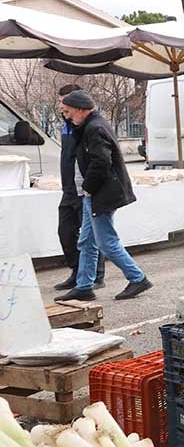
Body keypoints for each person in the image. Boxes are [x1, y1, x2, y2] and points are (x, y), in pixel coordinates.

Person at [55, 90, 153, 302]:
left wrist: (88, 188)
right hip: (94, 193)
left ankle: (137, 277)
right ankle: (84, 286)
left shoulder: (95, 128)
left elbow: (101, 162)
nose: (67, 116)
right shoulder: (89, 126)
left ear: (81, 110)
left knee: (106, 241)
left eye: (69, 112)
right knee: (87, 241)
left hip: (100, 193)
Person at [53, 84, 106, 292]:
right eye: (61, 102)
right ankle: (77, 271)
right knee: (65, 231)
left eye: (65, 103)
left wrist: (88, 187)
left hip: (83, 188)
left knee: (91, 235)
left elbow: (97, 159)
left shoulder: (87, 125)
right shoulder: (68, 124)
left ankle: (97, 275)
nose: (62, 107)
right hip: (68, 188)